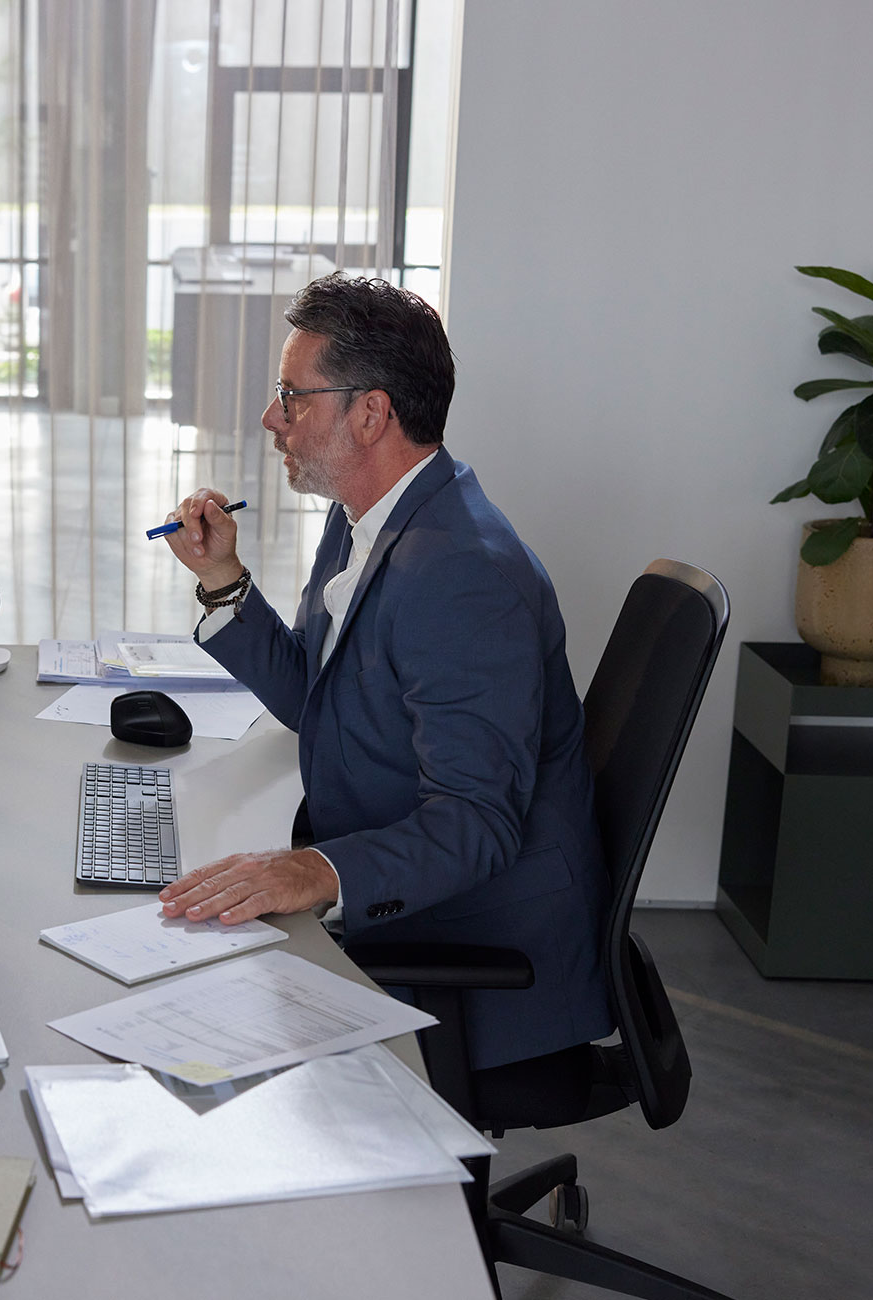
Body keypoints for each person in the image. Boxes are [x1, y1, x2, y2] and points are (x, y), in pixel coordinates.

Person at [155, 273, 612, 1073]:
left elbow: (476, 823)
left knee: (191, 1027)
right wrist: (225, 580)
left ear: (370, 413)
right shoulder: (374, 516)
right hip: (414, 889)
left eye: (293, 398)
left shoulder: (463, 574)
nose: (272, 420)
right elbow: (317, 696)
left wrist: (314, 868)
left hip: (475, 943)